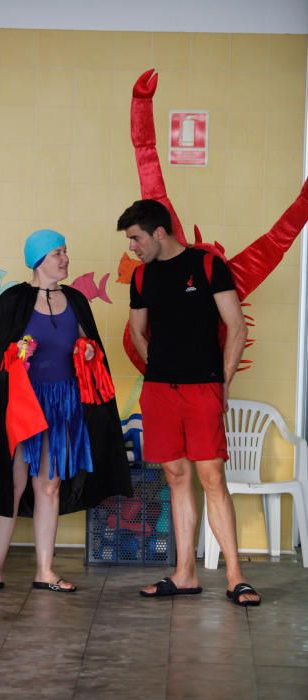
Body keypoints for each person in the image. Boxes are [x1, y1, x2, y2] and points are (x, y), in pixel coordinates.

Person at [0, 229, 132, 593]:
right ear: (39, 259)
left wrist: (87, 352)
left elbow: (91, 348)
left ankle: (45, 570)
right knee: (12, 483)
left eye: (65, 252)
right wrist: (15, 355)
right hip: (22, 404)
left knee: (49, 484)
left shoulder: (75, 299)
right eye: (58, 253)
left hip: (63, 405)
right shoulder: (13, 300)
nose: (65, 258)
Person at [117, 200, 261, 606]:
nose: (132, 248)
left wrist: (223, 382)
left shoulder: (208, 265)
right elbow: (136, 330)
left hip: (204, 389)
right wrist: (160, 366)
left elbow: (237, 325)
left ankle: (236, 577)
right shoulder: (142, 277)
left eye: (136, 238)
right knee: (176, 477)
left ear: (158, 233)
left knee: (212, 478)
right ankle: (184, 575)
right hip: (160, 391)